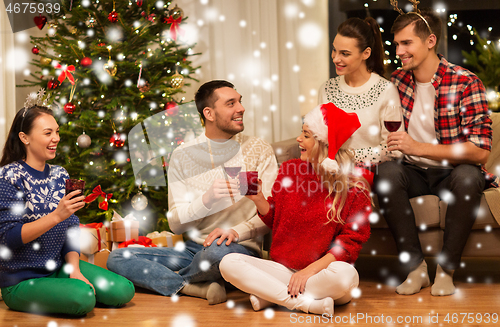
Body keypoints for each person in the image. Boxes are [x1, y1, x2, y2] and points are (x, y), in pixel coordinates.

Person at [107, 80, 278, 304]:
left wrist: (235, 232)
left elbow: (273, 212)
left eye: (240, 101)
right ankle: (192, 287)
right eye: (231, 103)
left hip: (237, 250)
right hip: (193, 250)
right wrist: (206, 200)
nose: (241, 108)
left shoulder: (258, 149)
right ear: (209, 113)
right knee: (117, 257)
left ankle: (179, 281)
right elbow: (175, 224)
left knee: (217, 253)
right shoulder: (183, 155)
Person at [374, 6, 498, 296]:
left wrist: (418, 146)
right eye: (397, 44)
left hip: (453, 171)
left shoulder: (466, 82)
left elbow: (480, 151)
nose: (400, 51)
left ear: (430, 41)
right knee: (387, 174)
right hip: (412, 172)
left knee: (469, 178)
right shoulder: (397, 82)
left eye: (407, 43)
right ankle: (416, 269)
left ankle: (446, 270)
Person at [217, 103, 371, 316]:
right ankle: (306, 304)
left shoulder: (355, 188)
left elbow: (349, 244)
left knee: (347, 276)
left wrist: (308, 272)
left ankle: (272, 295)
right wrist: (258, 198)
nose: (298, 139)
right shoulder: (290, 169)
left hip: (322, 273)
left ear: (325, 144)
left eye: (306, 135)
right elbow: (273, 219)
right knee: (228, 262)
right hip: (282, 269)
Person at [0, 91, 135, 316]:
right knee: (83, 298)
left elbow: (71, 225)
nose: (56, 138)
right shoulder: (8, 177)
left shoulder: (60, 174)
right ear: (25, 138)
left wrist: (74, 268)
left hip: (58, 267)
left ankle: (70, 283)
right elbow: (6, 239)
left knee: (122, 290)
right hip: (21, 279)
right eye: (48, 133)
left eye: (57, 132)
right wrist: (56, 216)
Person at [318, 17, 403, 181]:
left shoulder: (385, 90)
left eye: (345, 54)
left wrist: (348, 158)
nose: (335, 58)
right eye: (334, 50)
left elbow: (394, 149)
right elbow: (320, 141)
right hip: (331, 174)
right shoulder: (326, 89)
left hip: (369, 174)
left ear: (366, 53)